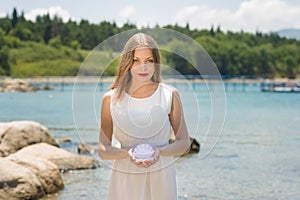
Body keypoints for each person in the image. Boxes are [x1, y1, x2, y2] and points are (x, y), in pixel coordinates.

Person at [98, 32, 190, 200]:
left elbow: (184, 143)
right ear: (127, 62)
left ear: (156, 63)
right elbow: (103, 150)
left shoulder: (170, 95)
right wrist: (128, 153)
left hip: (162, 177)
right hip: (125, 178)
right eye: (136, 60)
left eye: (149, 61)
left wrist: (159, 152)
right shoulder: (110, 99)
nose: (143, 67)